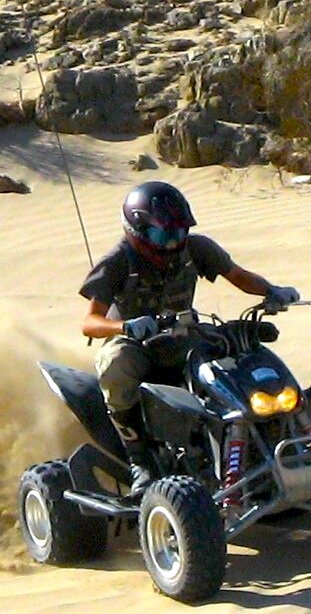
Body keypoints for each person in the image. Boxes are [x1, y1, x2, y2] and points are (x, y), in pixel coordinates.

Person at [81, 179, 296, 472]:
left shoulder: (195, 248)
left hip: (183, 333)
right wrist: (125, 327)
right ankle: (139, 460)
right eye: (162, 234)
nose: (173, 241)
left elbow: (238, 275)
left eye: (179, 232)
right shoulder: (118, 262)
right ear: (137, 231)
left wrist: (271, 291)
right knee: (116, 365)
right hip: (135, 342)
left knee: (239, 344)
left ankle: (262, 432)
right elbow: (90, 322)